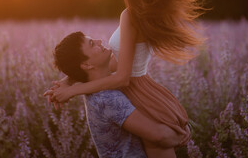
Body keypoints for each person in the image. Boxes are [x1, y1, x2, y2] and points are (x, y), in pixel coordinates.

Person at [47, 0, 206, 157]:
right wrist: (68, 79)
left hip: (137, 91)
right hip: (140, 88)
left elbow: (122, 77)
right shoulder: (136, 15)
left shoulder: (130, 16)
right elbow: (115, 62)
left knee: (157, 146)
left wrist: (74, 90)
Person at [44, 31, 182, 158]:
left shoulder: (99, 87)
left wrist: (68, 82)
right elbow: (160, 136)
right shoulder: (107, 98)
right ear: (87, 65)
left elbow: (114, 65)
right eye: (92, 44)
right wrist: (182, 134)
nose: (99, 41)